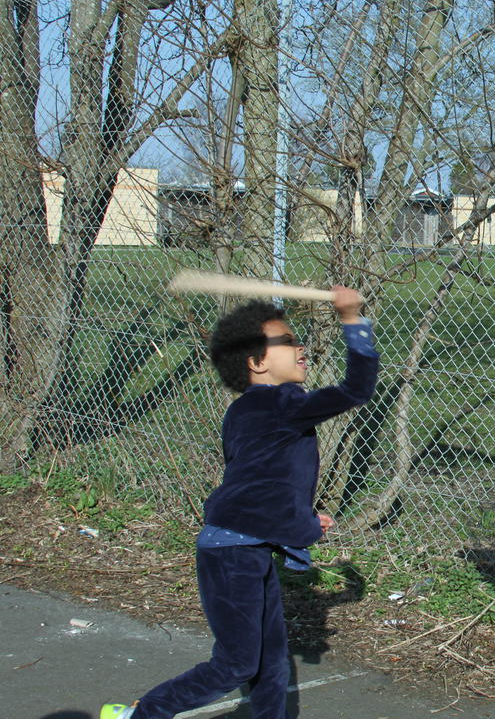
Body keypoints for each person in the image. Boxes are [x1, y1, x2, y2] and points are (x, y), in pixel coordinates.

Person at [101, 286, 379, 719]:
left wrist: (301, 518)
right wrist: (351, 319)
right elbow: (357, 389)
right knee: (237, 663)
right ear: (258, 362)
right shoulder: (283, 402)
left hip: (243, 550)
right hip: (234, 555)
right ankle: (142, 713)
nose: (300, 346)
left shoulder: (245, 411)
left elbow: (259, 484)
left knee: (271, 661)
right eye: (287, 341)